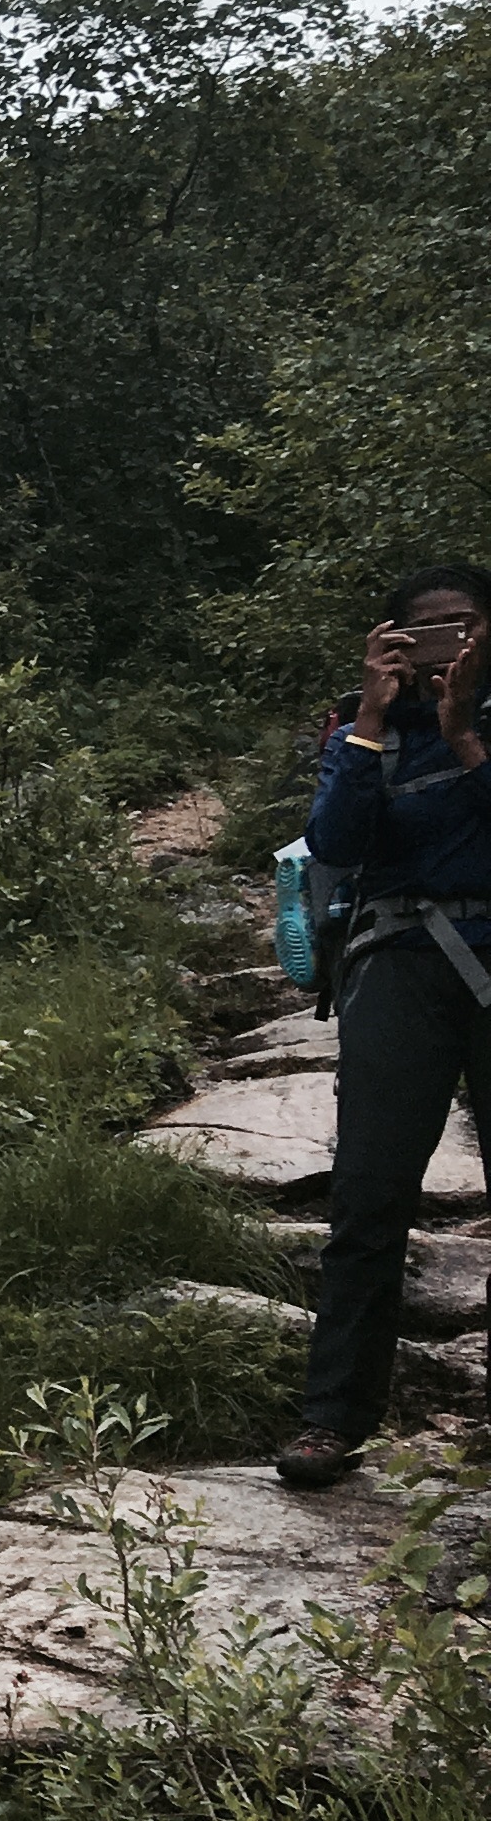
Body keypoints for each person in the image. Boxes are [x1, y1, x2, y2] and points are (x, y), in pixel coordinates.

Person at [286, 564, 491, 1489]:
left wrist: (465, 731)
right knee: (368, 1198)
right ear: (393, 643)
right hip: (400, 959)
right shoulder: (363, 728)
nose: (447, 644)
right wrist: (372, 718)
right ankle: (333, 1418)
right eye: (426, 631)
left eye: (464, 628)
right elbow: (333, 842)